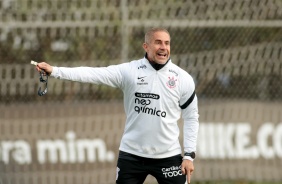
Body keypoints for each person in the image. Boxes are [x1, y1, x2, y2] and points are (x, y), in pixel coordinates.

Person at [35, 27, 199, 184]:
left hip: (168, 156)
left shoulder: (182, 79)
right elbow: (93, 74)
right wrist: (55, 71)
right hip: (132, 154)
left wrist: (188, 156)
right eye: (158, 42)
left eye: (167, 43)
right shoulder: (129, 71)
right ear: (146, 46)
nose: (163, 47)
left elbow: (191, 117)